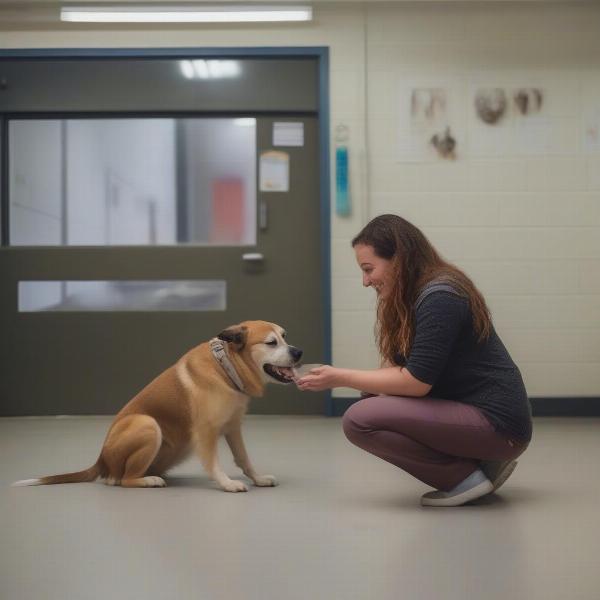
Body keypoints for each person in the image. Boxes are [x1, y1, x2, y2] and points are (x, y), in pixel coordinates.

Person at [296, 214, 532, 507]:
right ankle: (476, 465)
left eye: (369, 269)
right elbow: (394, 368)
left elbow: (416, 382)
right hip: (475, 414)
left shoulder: (440, 296)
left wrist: (339, 377)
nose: (365, 281)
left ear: (399, 259)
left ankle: (463, 479)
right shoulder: (411, 297)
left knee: (360, 419)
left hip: (501, 427)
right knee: (371, 399)